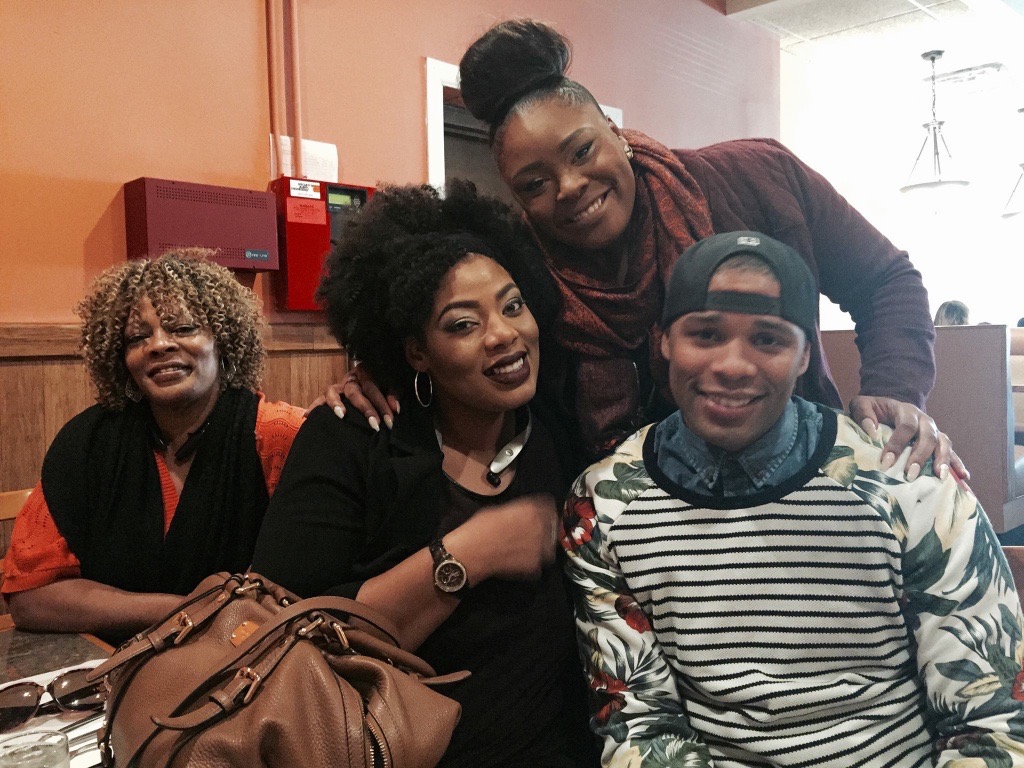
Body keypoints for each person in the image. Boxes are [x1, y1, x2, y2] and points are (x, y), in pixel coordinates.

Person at [335, 19, 964, 487]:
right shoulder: (521, 276)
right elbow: (462, 352)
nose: (571, 188)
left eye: (582, 151)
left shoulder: (758, 179)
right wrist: (380, 372)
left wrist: (896, 388)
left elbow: (887, 280)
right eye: (535, 183)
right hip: (632, 529)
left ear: (615, 132)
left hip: (801, 487)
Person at [562, 230, 1024, 766]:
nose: (733, 365)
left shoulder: (908, 480)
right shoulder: (604, 505)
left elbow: (992, 717)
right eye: (705, 334)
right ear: (663, 340)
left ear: (806, 354)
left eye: (768, 340)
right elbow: (638, 721)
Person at [250, 181, 597, 768]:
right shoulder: (354, 439)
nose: (504, 333)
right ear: (415, 351)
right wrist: (466, 555)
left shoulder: (562, 431)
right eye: (463, 324)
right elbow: (285, 635)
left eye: (513, 305)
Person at [1, 250, 305, 642]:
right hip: (114, 670)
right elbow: (30, 596)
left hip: (251, 675)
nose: (159, 345)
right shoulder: (89, 443)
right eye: (138, 337)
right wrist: (190, 609)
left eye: (182, 328)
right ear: (121, 358)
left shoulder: (277, 435)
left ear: (224, 341)